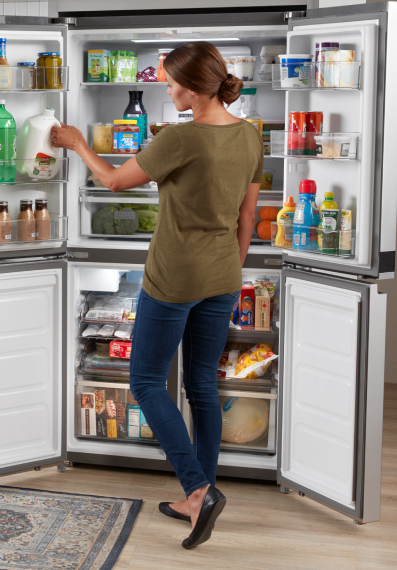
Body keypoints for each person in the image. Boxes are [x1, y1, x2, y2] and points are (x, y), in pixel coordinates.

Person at [51, 41, 263, 548]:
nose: (167, 90)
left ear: (192, 88)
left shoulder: (182, 137)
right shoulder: (250, 136)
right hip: (222, 275)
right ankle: (200, 498)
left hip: (173, 276)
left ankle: (196, 489)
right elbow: (248, 218)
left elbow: (115, 181)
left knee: (146, 381)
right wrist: (229, 269)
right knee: (202, 388)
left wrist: (78, 142)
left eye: (170, 83)